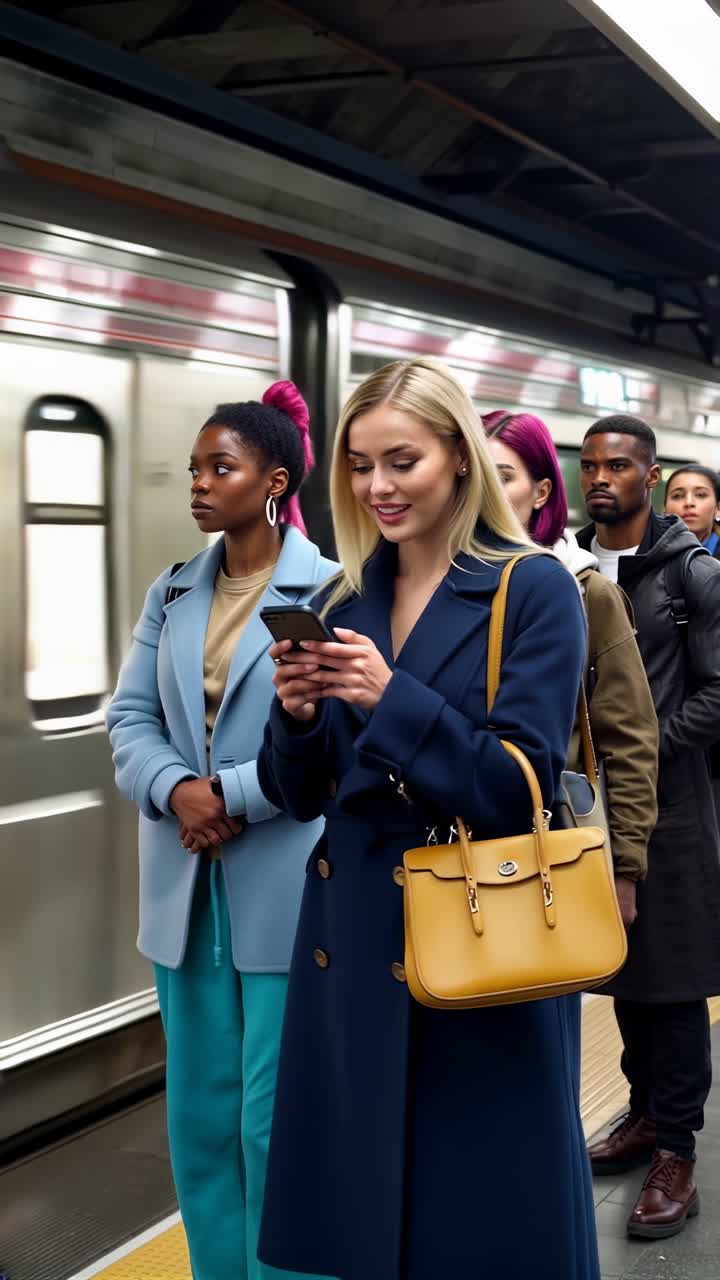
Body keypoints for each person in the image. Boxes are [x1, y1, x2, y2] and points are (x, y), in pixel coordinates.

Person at [255, 357, 597, 1280]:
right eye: (361, 467)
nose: (378, 488)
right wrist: (294, 719)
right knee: (371, 1222)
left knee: (485, 1219)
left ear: (457, 455)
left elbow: (517, 786)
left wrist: (389, 698)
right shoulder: (340, 599)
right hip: (358, 944)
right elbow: (299, 796)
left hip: (480, 938)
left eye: (401, 461)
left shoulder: (533, 590)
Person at [106, 382, 336, 1280]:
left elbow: (327, 736)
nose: (199, 483)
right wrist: (175, 791)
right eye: (197, 468)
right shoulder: (173, 590)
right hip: (184, 894)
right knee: (201, 1121)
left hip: (285, 890)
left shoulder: (330, 587)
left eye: (221, 467)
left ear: (274, 481)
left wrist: (229, 797)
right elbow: (128, 719)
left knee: (273, 1120)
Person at [576, 413, 720, 1240]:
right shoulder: (566, 567)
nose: (601, 479)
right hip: (590, 808)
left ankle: (679, 1151)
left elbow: (717, 691)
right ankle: (639, 1113)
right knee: (623, 971)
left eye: (619, 466)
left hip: (670, 806)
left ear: (650, 475)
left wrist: (643, 745)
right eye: (591, 465)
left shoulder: (689, 575)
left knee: (671, 984)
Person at [484, 410, 658, 925]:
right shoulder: (432, 584)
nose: (484, 495)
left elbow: (629, 737)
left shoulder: (584, 590)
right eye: (472, 475)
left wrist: (624, 868)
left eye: (504, 477)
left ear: (541, 493)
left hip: (553, 838)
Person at [664, 463, 720, 558]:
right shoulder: (646, 553)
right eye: (677, 496)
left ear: (718, 509)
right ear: (665, 508)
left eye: (700, 495)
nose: (688, 502)